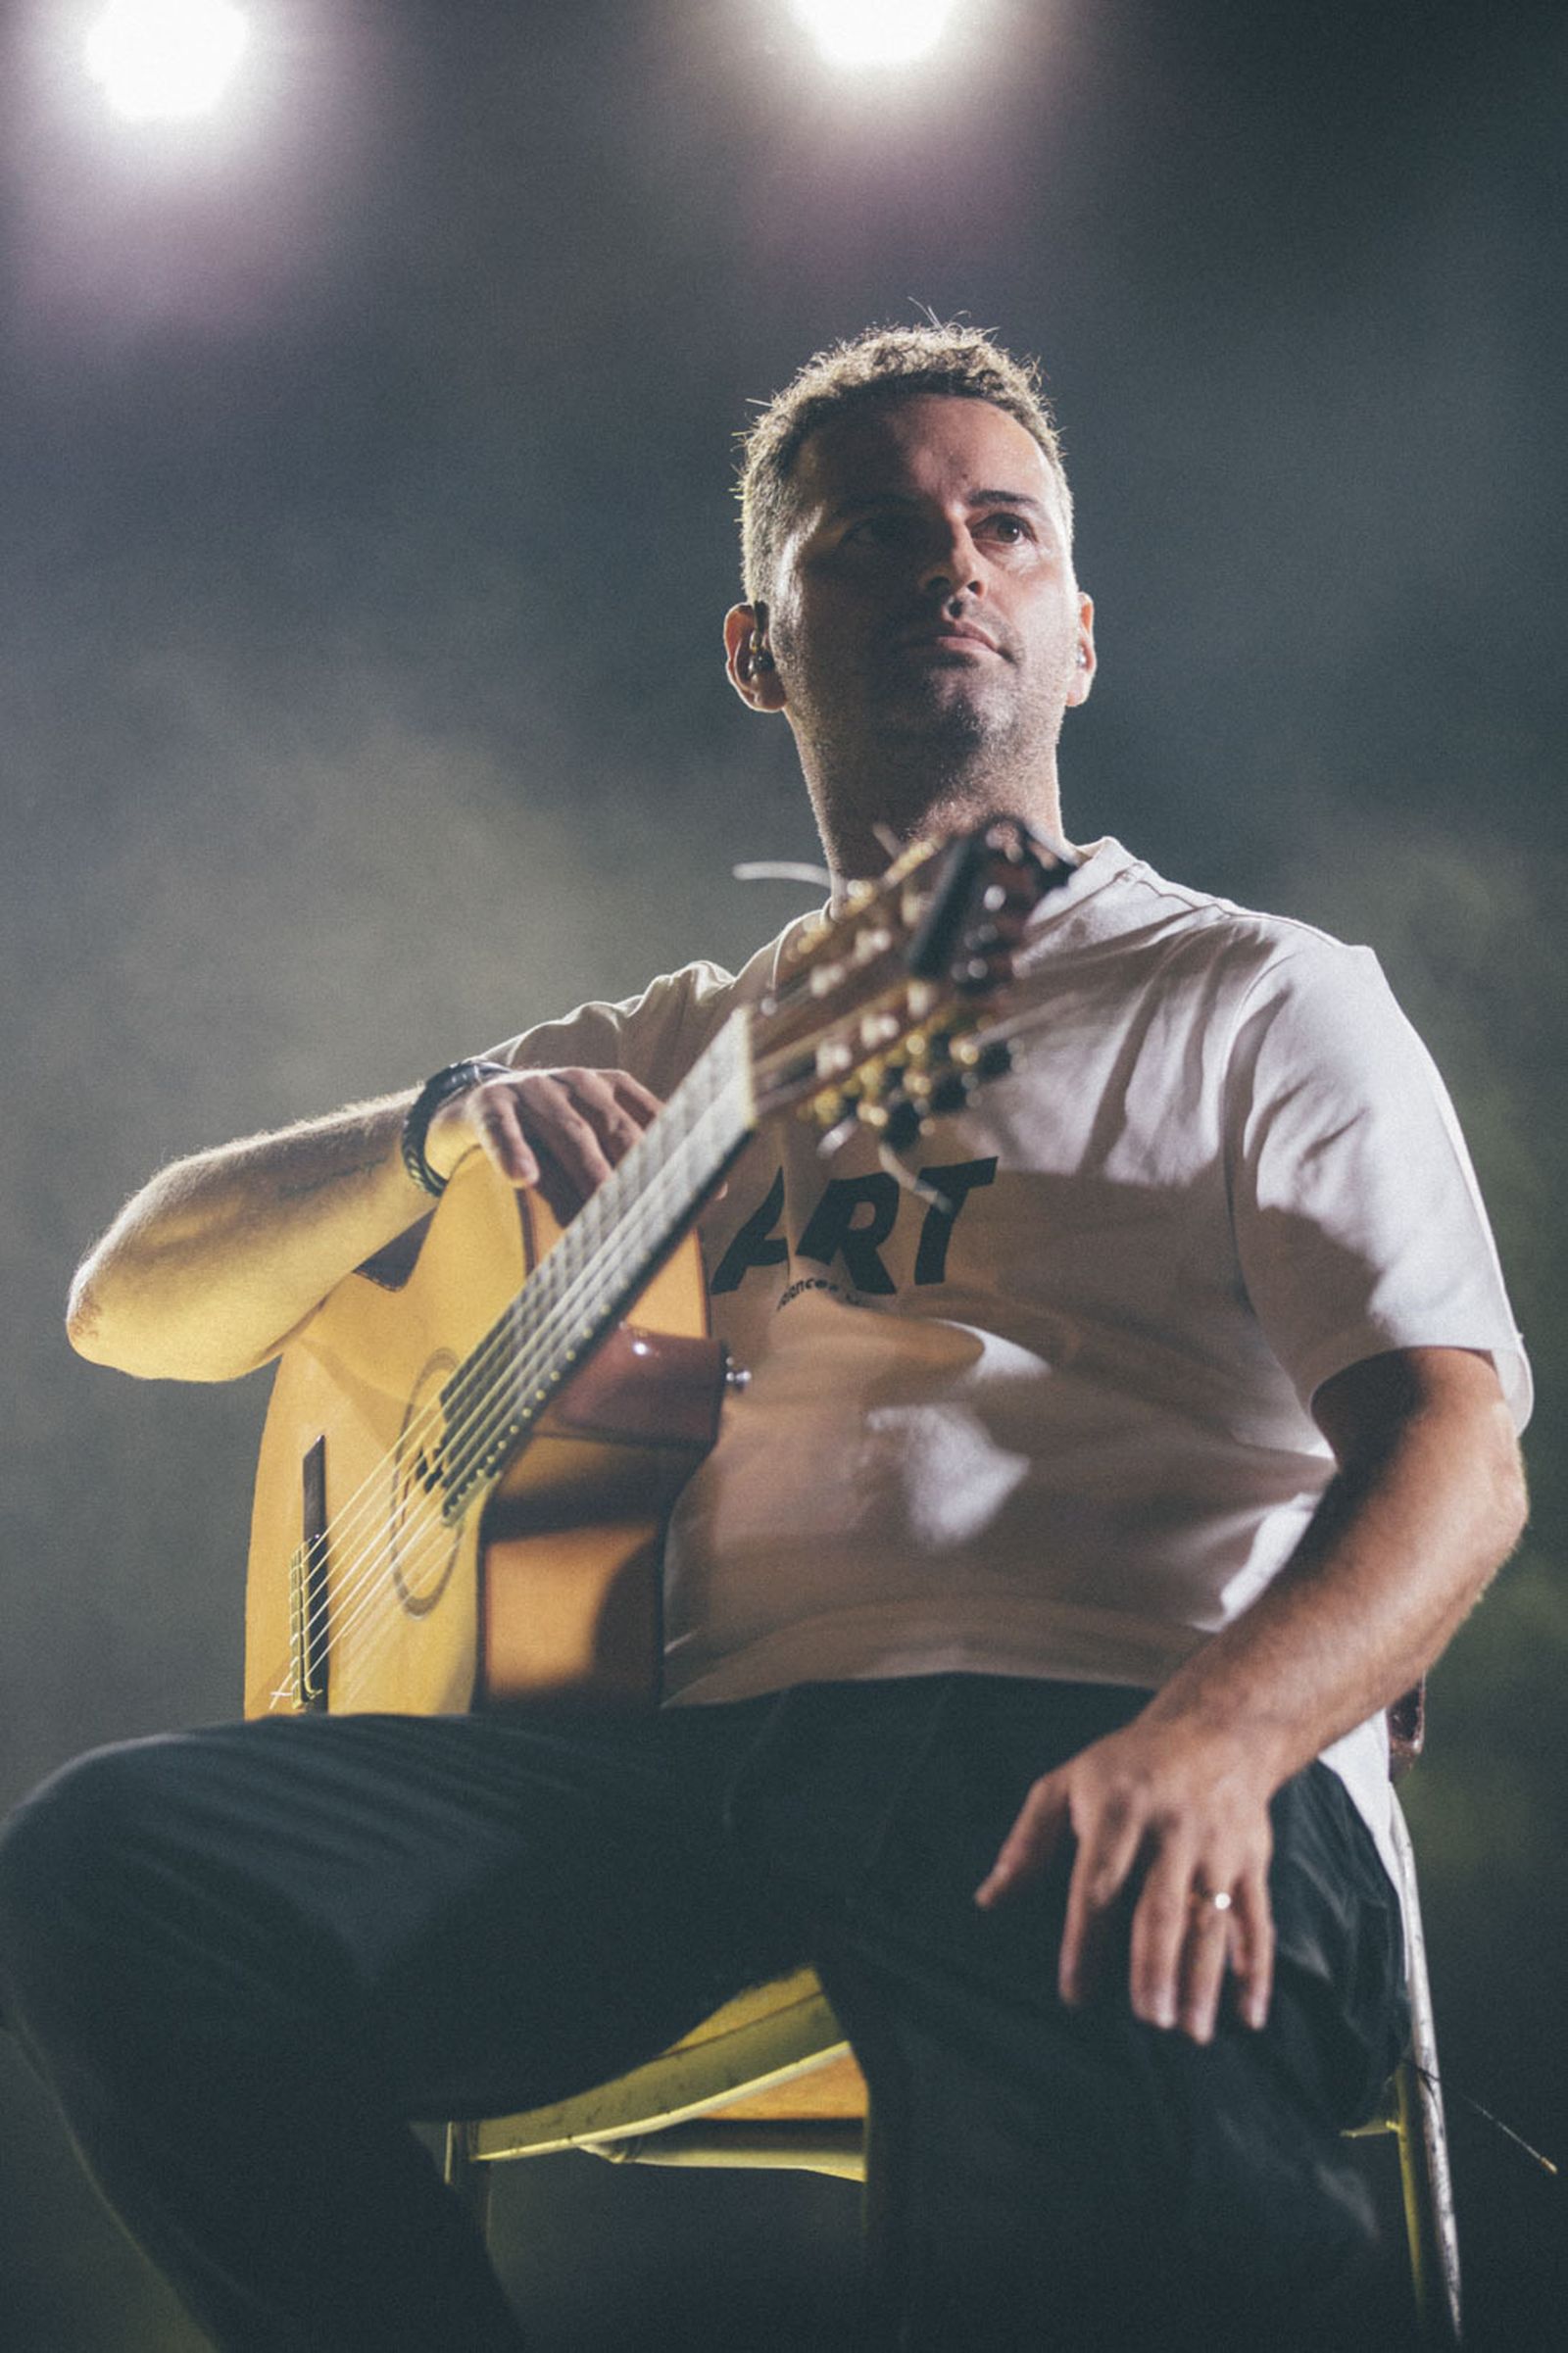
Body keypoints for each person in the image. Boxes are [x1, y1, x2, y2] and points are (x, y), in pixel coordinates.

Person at [0, 326, 1530, 2352]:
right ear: (755, 649)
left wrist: (1231, 1727)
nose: (950, 568)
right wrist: (428, 1122)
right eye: (874, 539)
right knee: (111, 1862)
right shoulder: (670, 1050)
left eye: (1002, 531)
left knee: (1036, 1924)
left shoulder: (1251, 995)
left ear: (1077, 634)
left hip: (1113, 1743)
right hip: (702, 1789)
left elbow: (1453, 1442)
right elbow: (135, 1299)